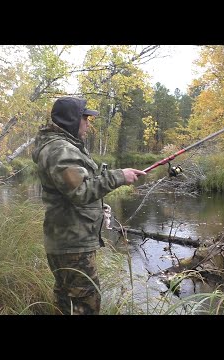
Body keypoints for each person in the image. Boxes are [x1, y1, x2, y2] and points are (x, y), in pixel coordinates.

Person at [32, 96, 146, 315]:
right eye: (85, 119)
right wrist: (118, 177)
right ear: (72, 120)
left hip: (68, 240)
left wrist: (98, 207)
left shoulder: (63, 146)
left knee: (68, 303)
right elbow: (80, 191)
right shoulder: (60, 150)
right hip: (73, 245)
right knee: (86, 304)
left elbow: (74, 189)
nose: (88, 124)